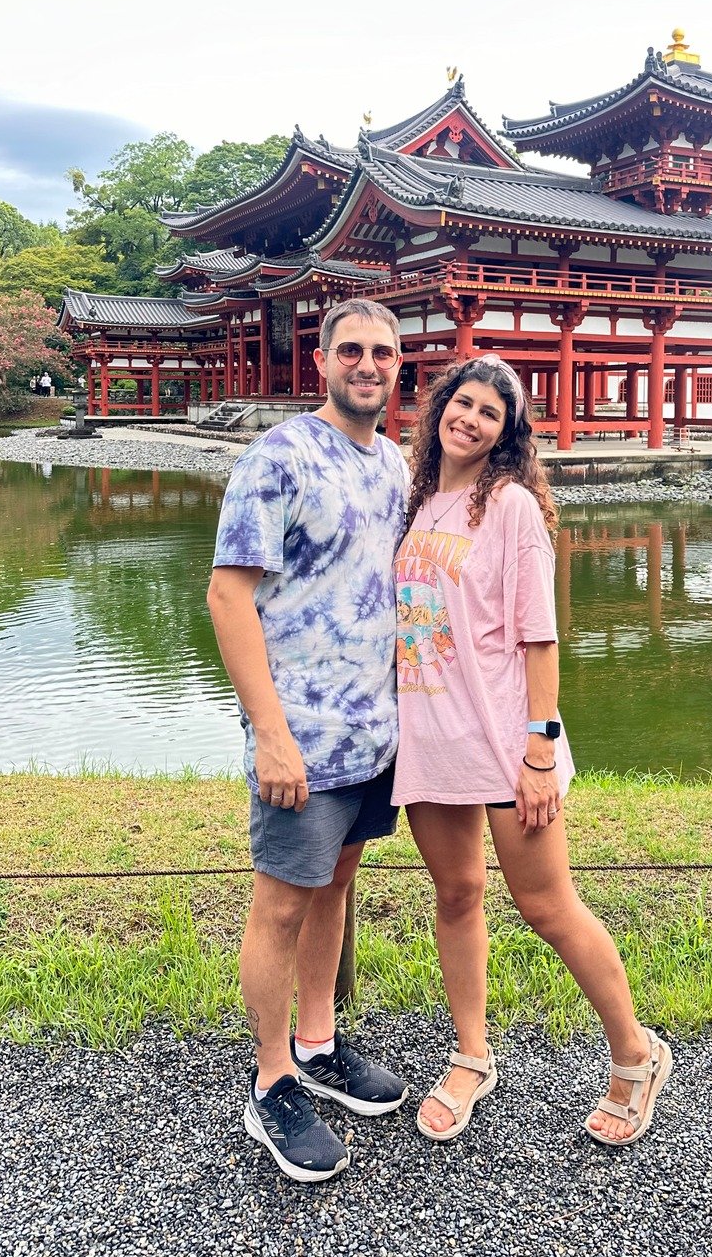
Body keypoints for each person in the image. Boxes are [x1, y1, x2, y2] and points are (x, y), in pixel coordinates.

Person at [392, 354, 672, 1147]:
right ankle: (472, 1056)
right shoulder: (419, 501)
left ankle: (635, 1055)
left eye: (491, 413)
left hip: (508, 740)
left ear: (509, 434)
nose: (471, 419)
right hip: (430, 738)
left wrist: (540, 748)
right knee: (456, 897)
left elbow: (540, 638)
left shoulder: (511, 507)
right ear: (440, 407)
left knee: (547, 906)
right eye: (463, 402)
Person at [207, 298, 410, 1184]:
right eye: (352, 350)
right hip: (301, 733)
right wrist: (270, 734)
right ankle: (271, 1080)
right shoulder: (279, 456)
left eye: (384, 353)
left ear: (400, 368)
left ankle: (319, 1041)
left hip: (373, 729)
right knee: (282, 901)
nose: (368, 364)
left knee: (337, 883)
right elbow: (228, 595)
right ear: (322, 361)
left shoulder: (396, 463)